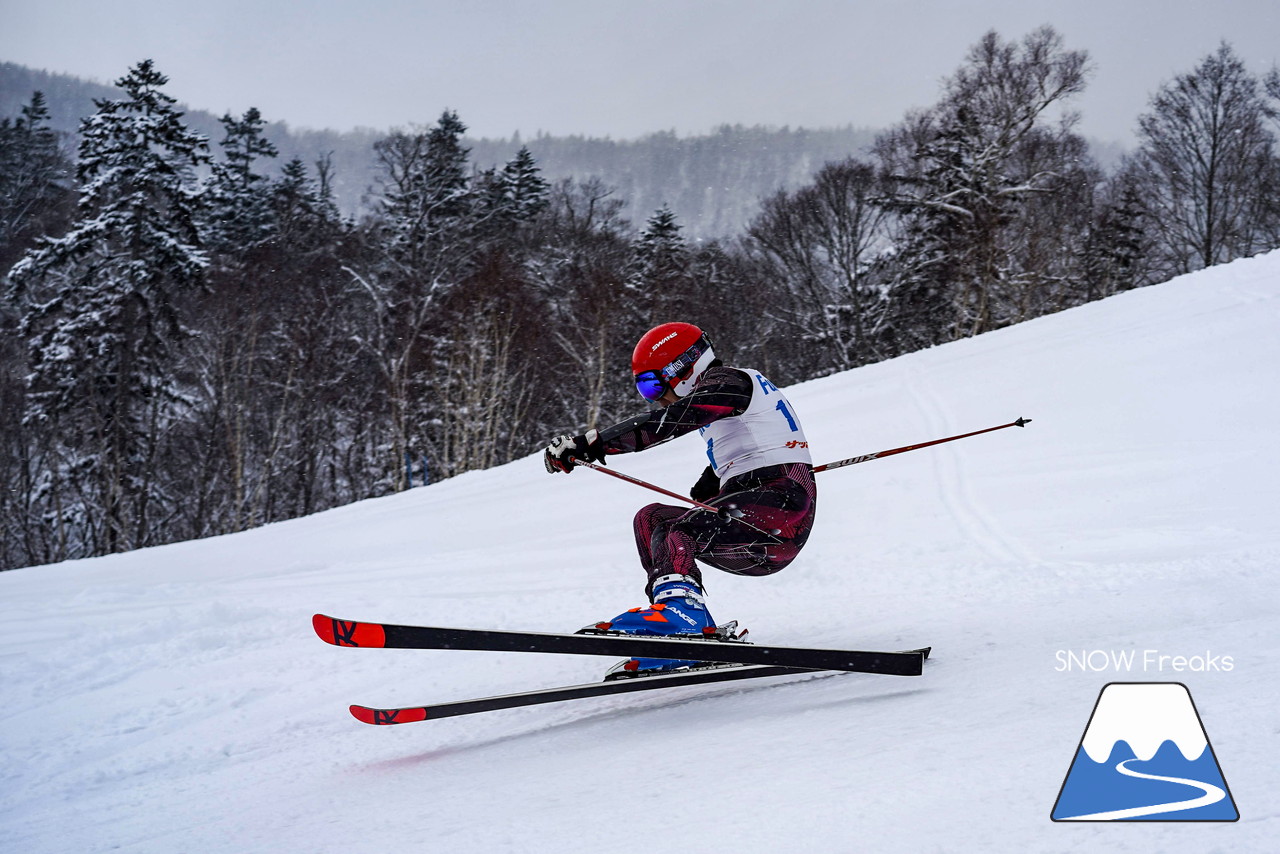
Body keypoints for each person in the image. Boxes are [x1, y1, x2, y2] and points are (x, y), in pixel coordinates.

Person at [543, 321, 818, 674]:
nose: (654, 395)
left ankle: (679, 617)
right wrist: (711, 482)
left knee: (681, 531)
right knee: (653, 518)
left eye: (653, 383)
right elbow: (742, 448)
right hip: (757, 511)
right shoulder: (725, 397)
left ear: (685, 366)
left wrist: (593, 443)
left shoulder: (730, 381)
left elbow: (670, 421)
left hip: (781, 507)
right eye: (645, 387)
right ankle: (686, 633)